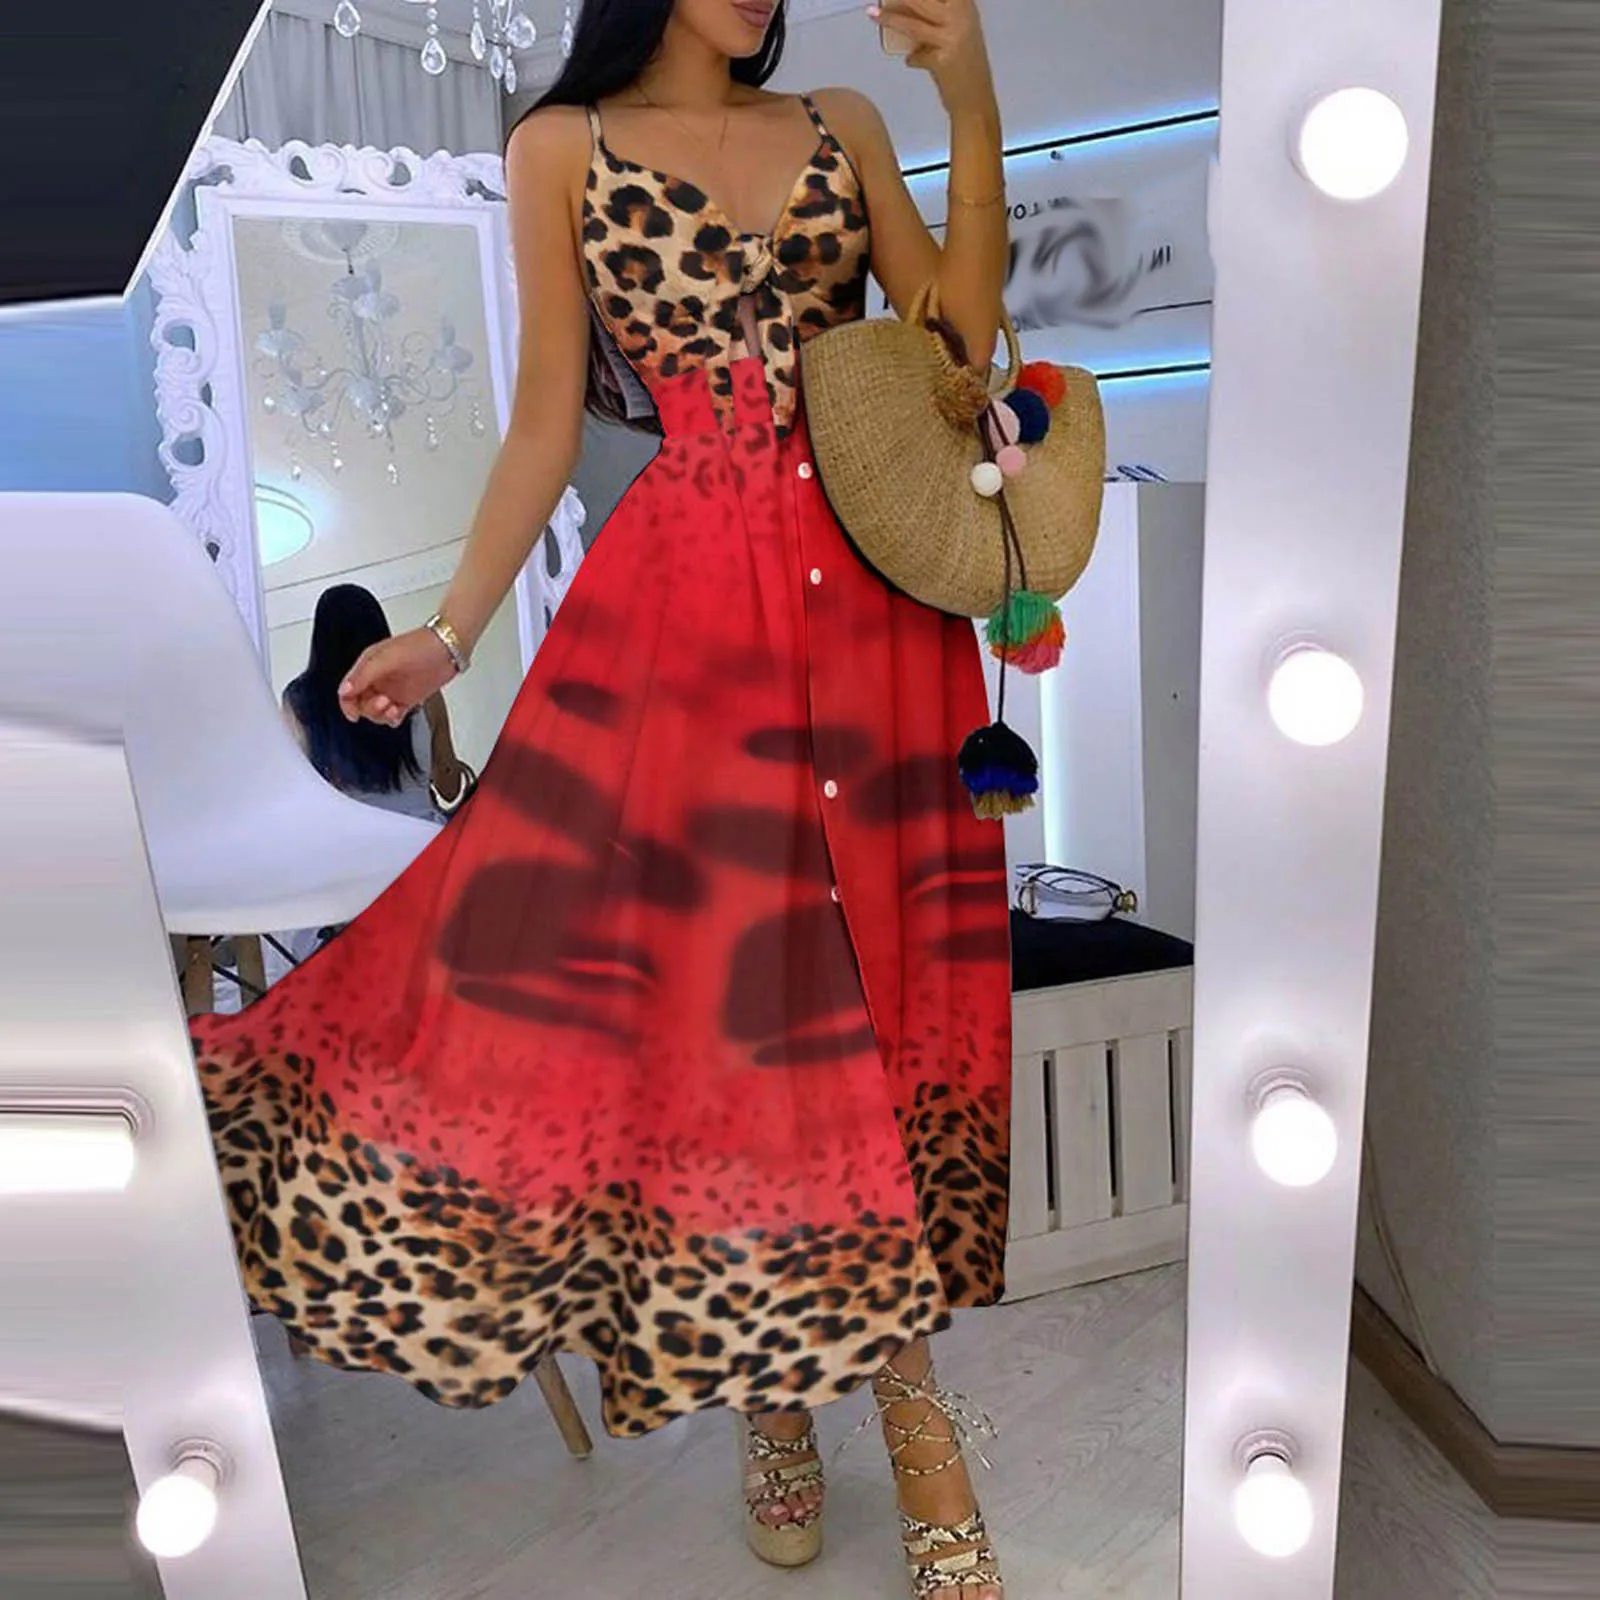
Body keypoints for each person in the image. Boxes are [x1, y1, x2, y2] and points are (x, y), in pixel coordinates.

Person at [191, 4, 1011, 1595]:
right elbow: (545, 421)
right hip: (690, 617)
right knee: (756, 1006)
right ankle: (875, 1423)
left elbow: (955, 348)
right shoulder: (558, 147)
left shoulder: (842, 120)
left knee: (884, 996)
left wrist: (971, 99)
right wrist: (448, 634)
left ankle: (805, 1383)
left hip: (880, 599)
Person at [280, 583, 470, 825]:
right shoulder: (419, 687)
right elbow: (449, 787)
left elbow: (297, 789)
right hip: (424, 836)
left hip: (356, 842)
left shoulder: (300, 700)